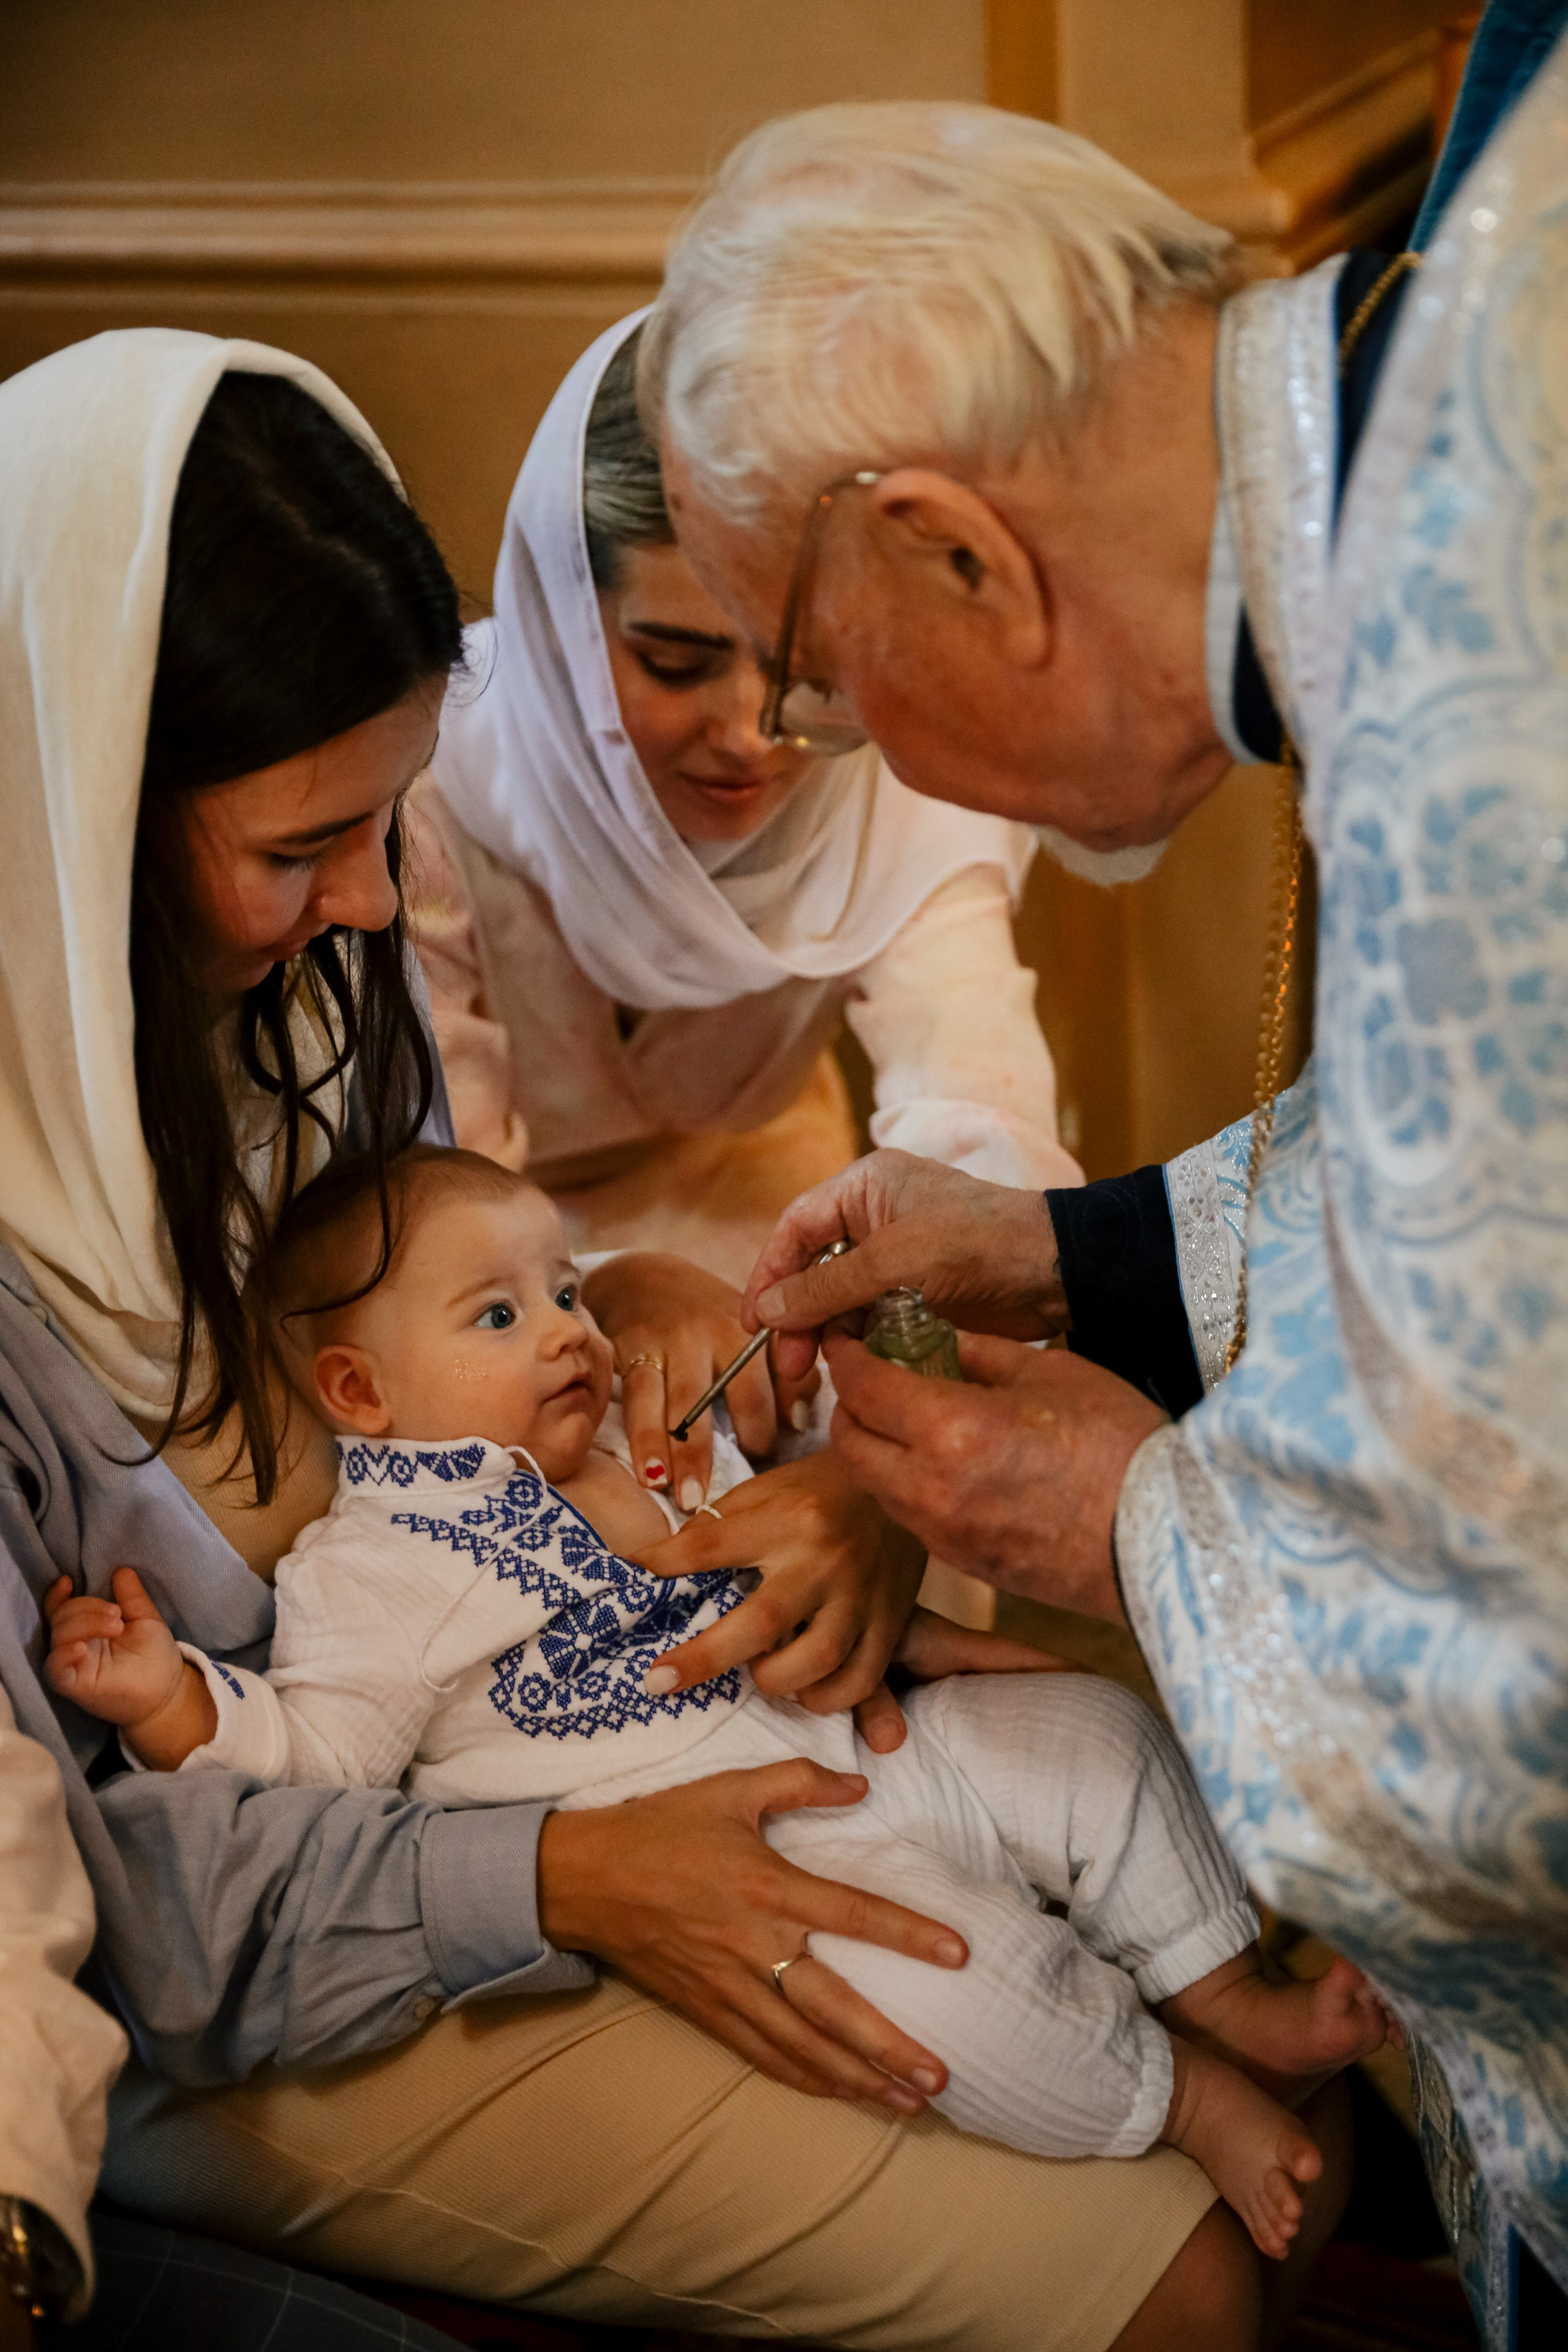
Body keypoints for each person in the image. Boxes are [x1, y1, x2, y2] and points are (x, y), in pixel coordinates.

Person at [0, 325, 1338, 2352]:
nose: (371, 902)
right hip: (276, 1939)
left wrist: (806, 1506)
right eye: (299, 851)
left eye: (386, 829)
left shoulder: (287, 994)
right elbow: (108, 1905)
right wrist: (572, 1876)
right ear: (69, 811)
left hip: (567, 1696)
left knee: (1089, 1839)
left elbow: (520, 1295)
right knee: (1175, 2270)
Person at [637, 10, 1568, 2324]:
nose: (828, 748)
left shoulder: (1492, 622)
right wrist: (1075, 1249)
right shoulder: (1451, 415)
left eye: (823, 678)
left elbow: (1523, 1685)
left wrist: (1135, 1529)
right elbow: (1470, 1157)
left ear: (956, 551)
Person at [45, 1144, 1398, 2266]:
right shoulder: (378, 1562)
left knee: (1097, 1739)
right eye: (498, 1316)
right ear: (362, 1393)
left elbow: (781, 1525)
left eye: (564, 1291)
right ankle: (1174, 2095)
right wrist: (174, 1699)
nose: (569, 1330)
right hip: (761, 1856)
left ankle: (1221, 1986)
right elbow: (320, 1748)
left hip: (867, 1733)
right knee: (953, 1991)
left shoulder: (636, 1448)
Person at [410, 314, 1080, 1317]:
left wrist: (975, 1271)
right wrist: (616, 1299)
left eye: (805, 669)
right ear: (560, 625)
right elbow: (437, 1207)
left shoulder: (891, 774)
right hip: (479, 1279)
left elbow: (978, 1112)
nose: (752, 734)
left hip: (776, 1219)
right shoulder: (433, 781)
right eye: (676, 663)